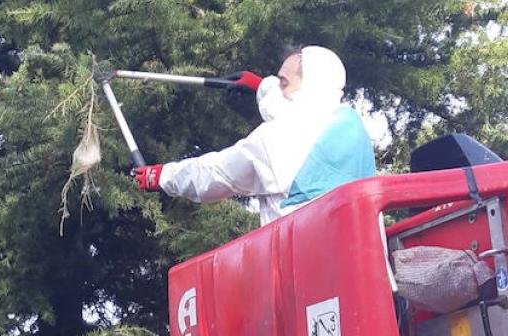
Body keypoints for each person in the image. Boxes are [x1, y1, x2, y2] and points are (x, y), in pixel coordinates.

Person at [134, 45, 376, 225]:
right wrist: (262, 85)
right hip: (365, 264)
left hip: (308, 264)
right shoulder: (350, 124)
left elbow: (215, 174)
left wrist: (162, 176)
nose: (279, 88)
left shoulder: (280, 136)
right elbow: (291, 106)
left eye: (283, 82)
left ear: (309, 84)